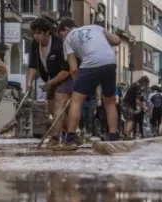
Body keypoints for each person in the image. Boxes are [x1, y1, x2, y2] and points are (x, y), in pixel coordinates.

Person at [58, 18, 122, 142]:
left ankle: (71, 135)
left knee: (76, 100)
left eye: (61, 35)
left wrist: (78, 85)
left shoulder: (68, 39)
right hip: (110, 61)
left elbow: (74, 68)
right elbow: (117, 40)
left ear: (66, 29)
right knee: (110, 100)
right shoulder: (96, 28)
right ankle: (113, 134)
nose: (62, 38)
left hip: (90, 63)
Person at [26, 17, 74, 147]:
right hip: (51, 80)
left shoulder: (59, 44)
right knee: (54, 111)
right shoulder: (35, 44)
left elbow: (67, 70)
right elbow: (32, 65)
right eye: (34, 33)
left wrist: (50, 83)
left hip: (65, 78)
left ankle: (54, 138)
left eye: (39, 33)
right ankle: (71, 133)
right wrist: (29, 81)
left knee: (59, 105)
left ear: (47, 32)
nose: (36, 36)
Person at [121, 76, 150, 140]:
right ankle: (127, 137)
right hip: (129, 105)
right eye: (146, 84)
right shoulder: (138, 87)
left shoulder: (134, 84)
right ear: (144, 82)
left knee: (127, 120)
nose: (145, 86)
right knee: (131, 120)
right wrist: (144, 107)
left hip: (123, 104)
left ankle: (125, 135)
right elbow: (137, 100)